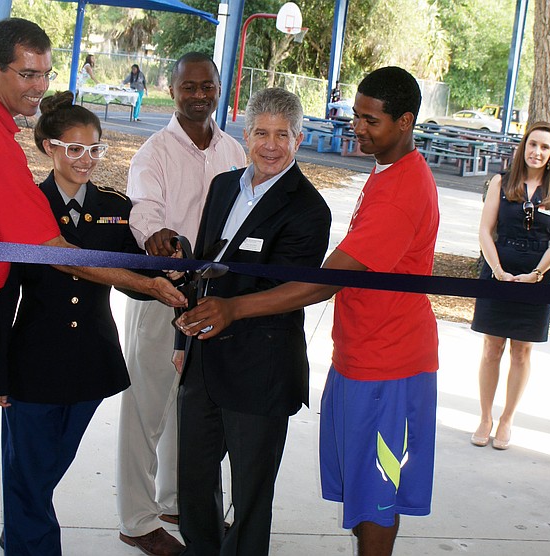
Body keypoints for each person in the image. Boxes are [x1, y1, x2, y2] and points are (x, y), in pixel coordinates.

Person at [0, 19, 183, 556]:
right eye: (26, 73)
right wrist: (148, 284)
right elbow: (54, 253)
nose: (38, 86)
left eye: (44, 73)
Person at [177, 66, 440, 556]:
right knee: (361, 489)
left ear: (404, 122)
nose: (356, 127)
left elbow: (323, 281)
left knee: (377, 493)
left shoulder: (401, 190)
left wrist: (233, 308)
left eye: (370, 120)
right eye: (356, 115)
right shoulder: (387, 174)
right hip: (359, 356)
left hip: (390, 364)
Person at [176, 87, 331, 556]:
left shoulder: (309, 209)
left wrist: (232, 310)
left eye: (282, 135)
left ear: (299, 139)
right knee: (194, 484)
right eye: (261, 132)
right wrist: (182, 341)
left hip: (260, 370)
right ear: (246, 135)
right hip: (202, 361)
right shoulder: (224, 185)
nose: (270, 144)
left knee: (251, 496)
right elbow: (203, 265)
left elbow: (292, 292)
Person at [0, 95, 141, 552]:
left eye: (95, 149)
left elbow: (134, 278)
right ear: (47, 148)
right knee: (29, 473)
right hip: (33, 363)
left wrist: (168, 266)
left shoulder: (116, 207)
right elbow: (5, 297)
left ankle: (18, 538)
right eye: (74, 149)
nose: (86, 160)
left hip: (90, 362)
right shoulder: (26, 205)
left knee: (41, 470)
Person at [117, 52, 245, 556]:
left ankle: (174, 501)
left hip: (215, 300)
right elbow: (144, 209)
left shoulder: (235, 151)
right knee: (145, 409)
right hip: (163, 293)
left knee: (190, 404)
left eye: (207, 86)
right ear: (171, 91)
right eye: (188, 87)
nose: (198, 95)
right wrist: (157, 236)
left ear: (219, 89)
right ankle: (136, 516)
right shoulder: (153, 152)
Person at [470, 121, 550, 450]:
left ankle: (506, 419)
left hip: (536, 276)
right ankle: (485, 417)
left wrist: (538, 273)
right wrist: (497, 269)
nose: (537, 152)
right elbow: (485, 230)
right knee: (492, 348)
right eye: (533, 144)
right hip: (499, 273)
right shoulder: (501, 182)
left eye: (545, 147)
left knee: (522, 352)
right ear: (523, 147)